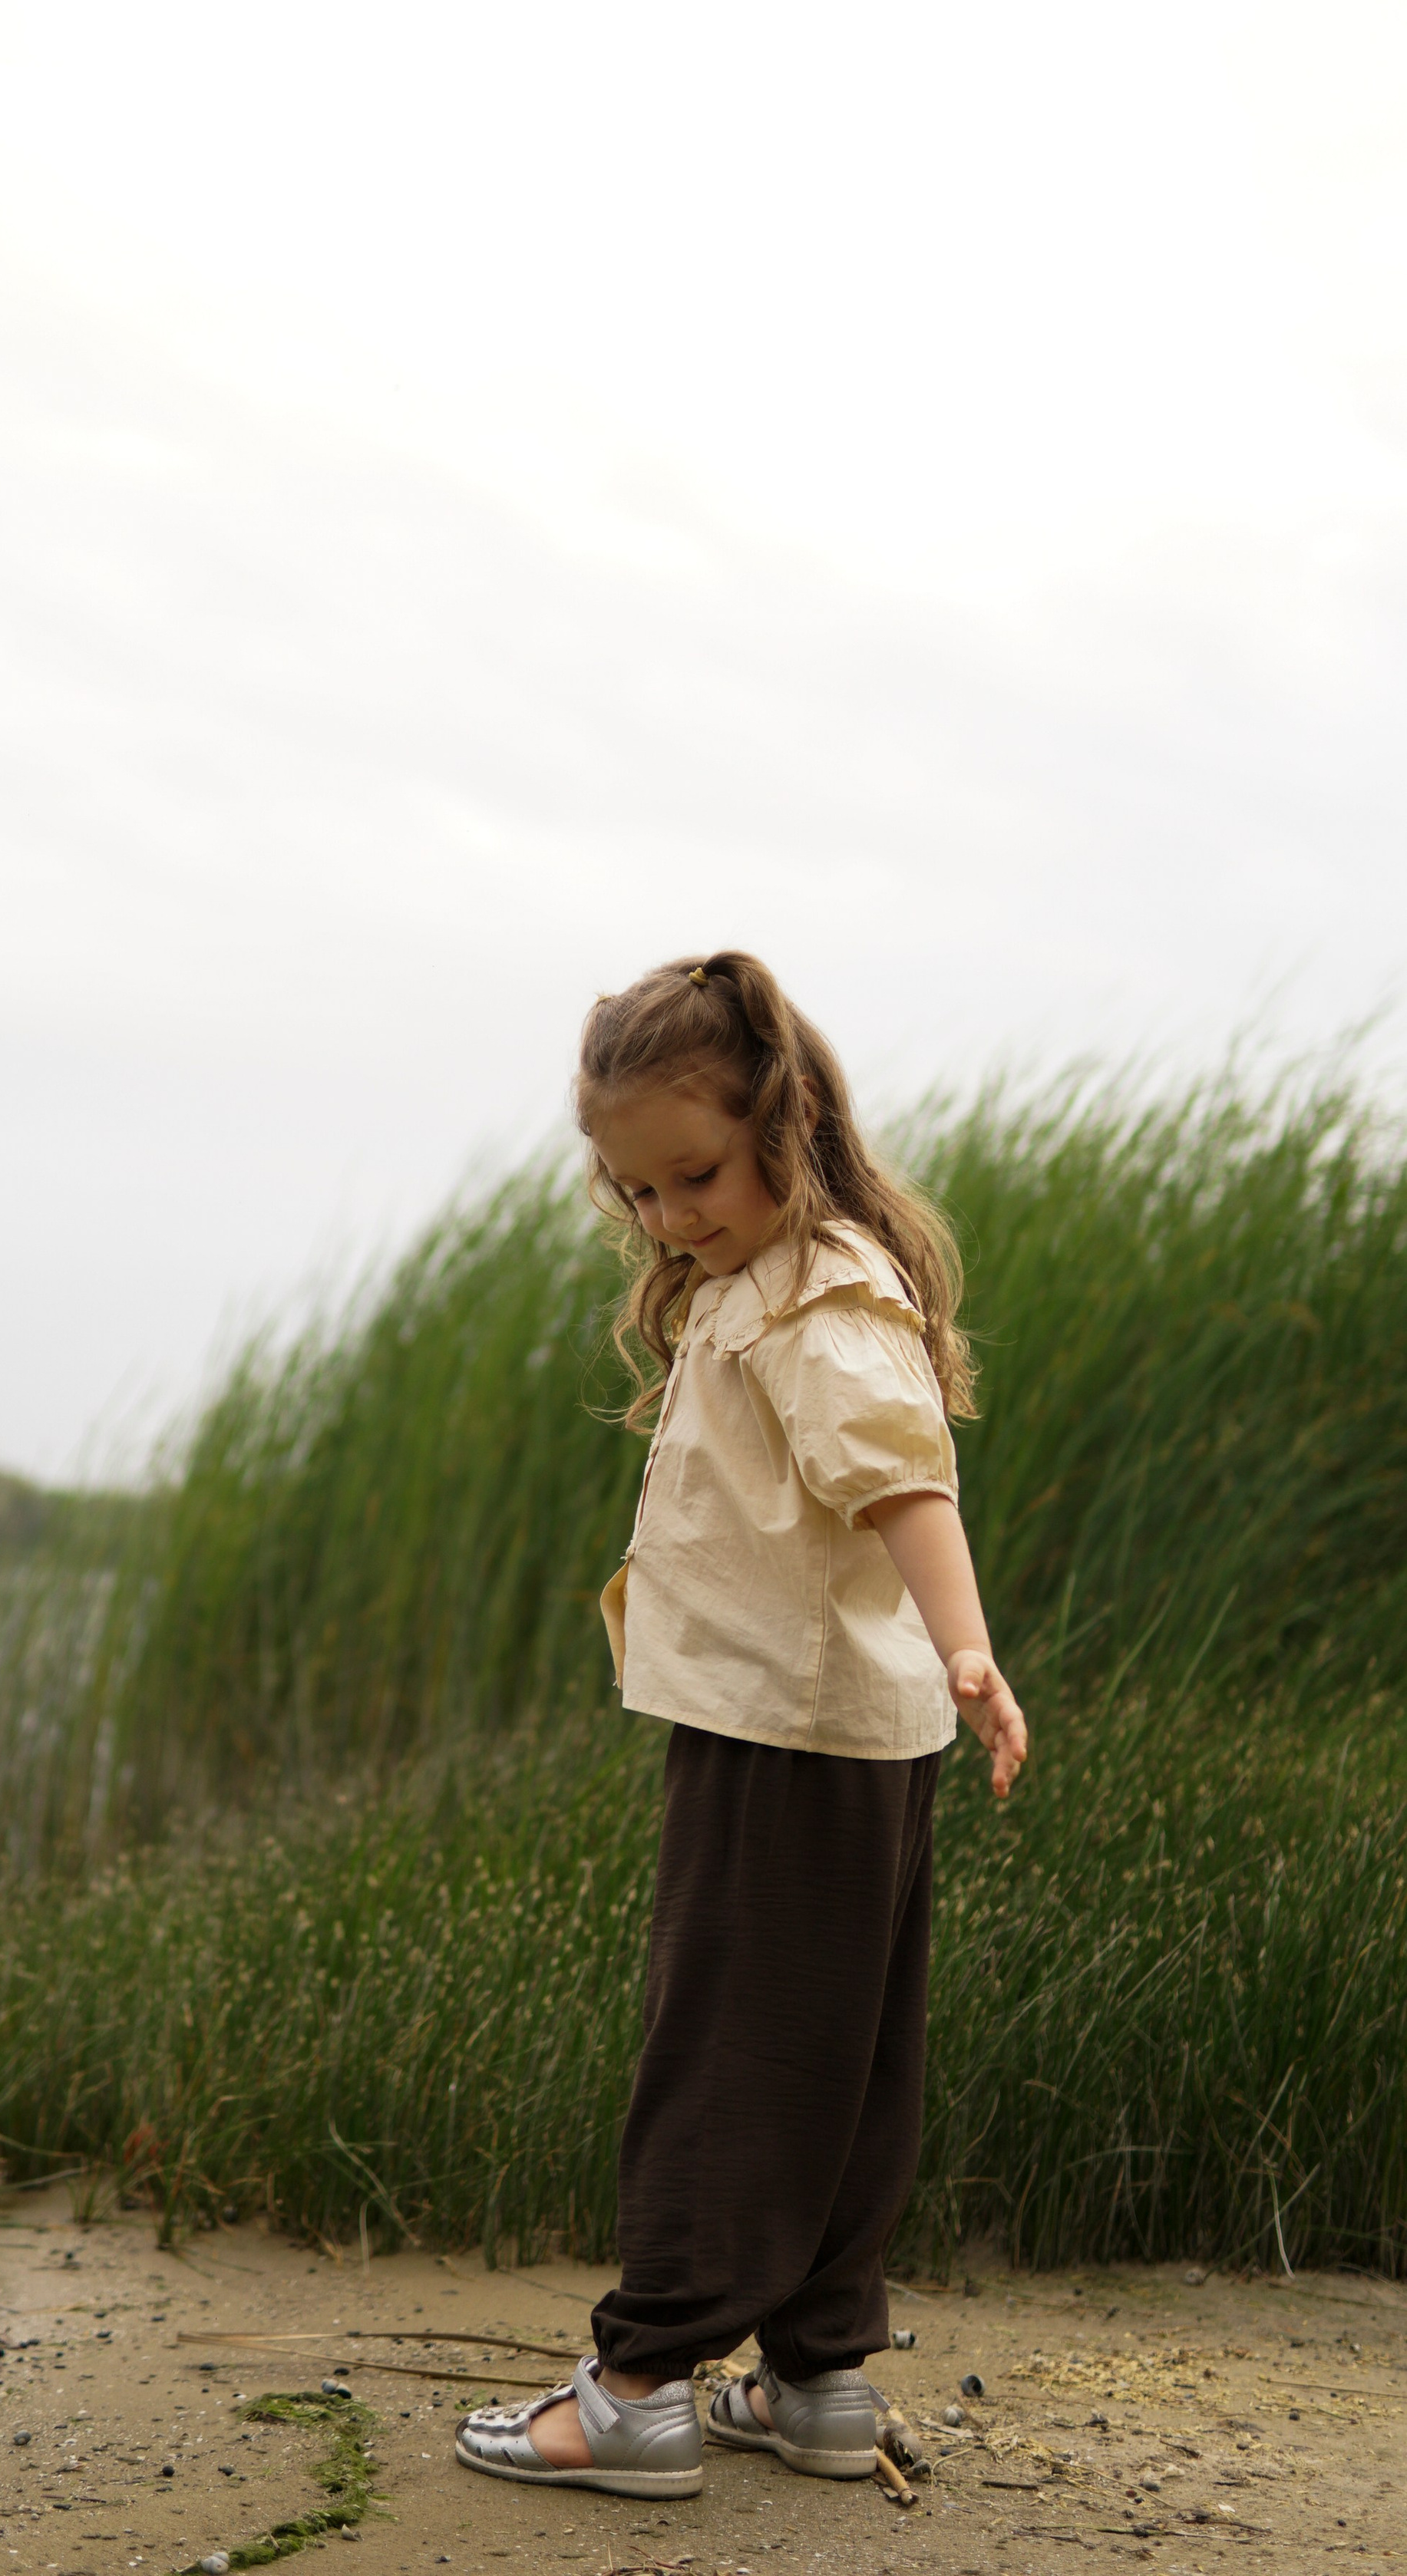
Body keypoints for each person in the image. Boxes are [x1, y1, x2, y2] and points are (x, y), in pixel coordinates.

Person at [454, 952, 1027, 2503]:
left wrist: (969, 1648)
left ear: (787, 1120)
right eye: (636, 1190)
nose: (666, 1217)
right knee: (841, 2058)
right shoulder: (774, 1283)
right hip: (854, 1736)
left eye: (694, 1176)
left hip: (783, 1732)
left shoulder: (813, 1296)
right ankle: (819, 2380)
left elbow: (902, 1480)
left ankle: (640, 2389)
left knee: (719, 2052)